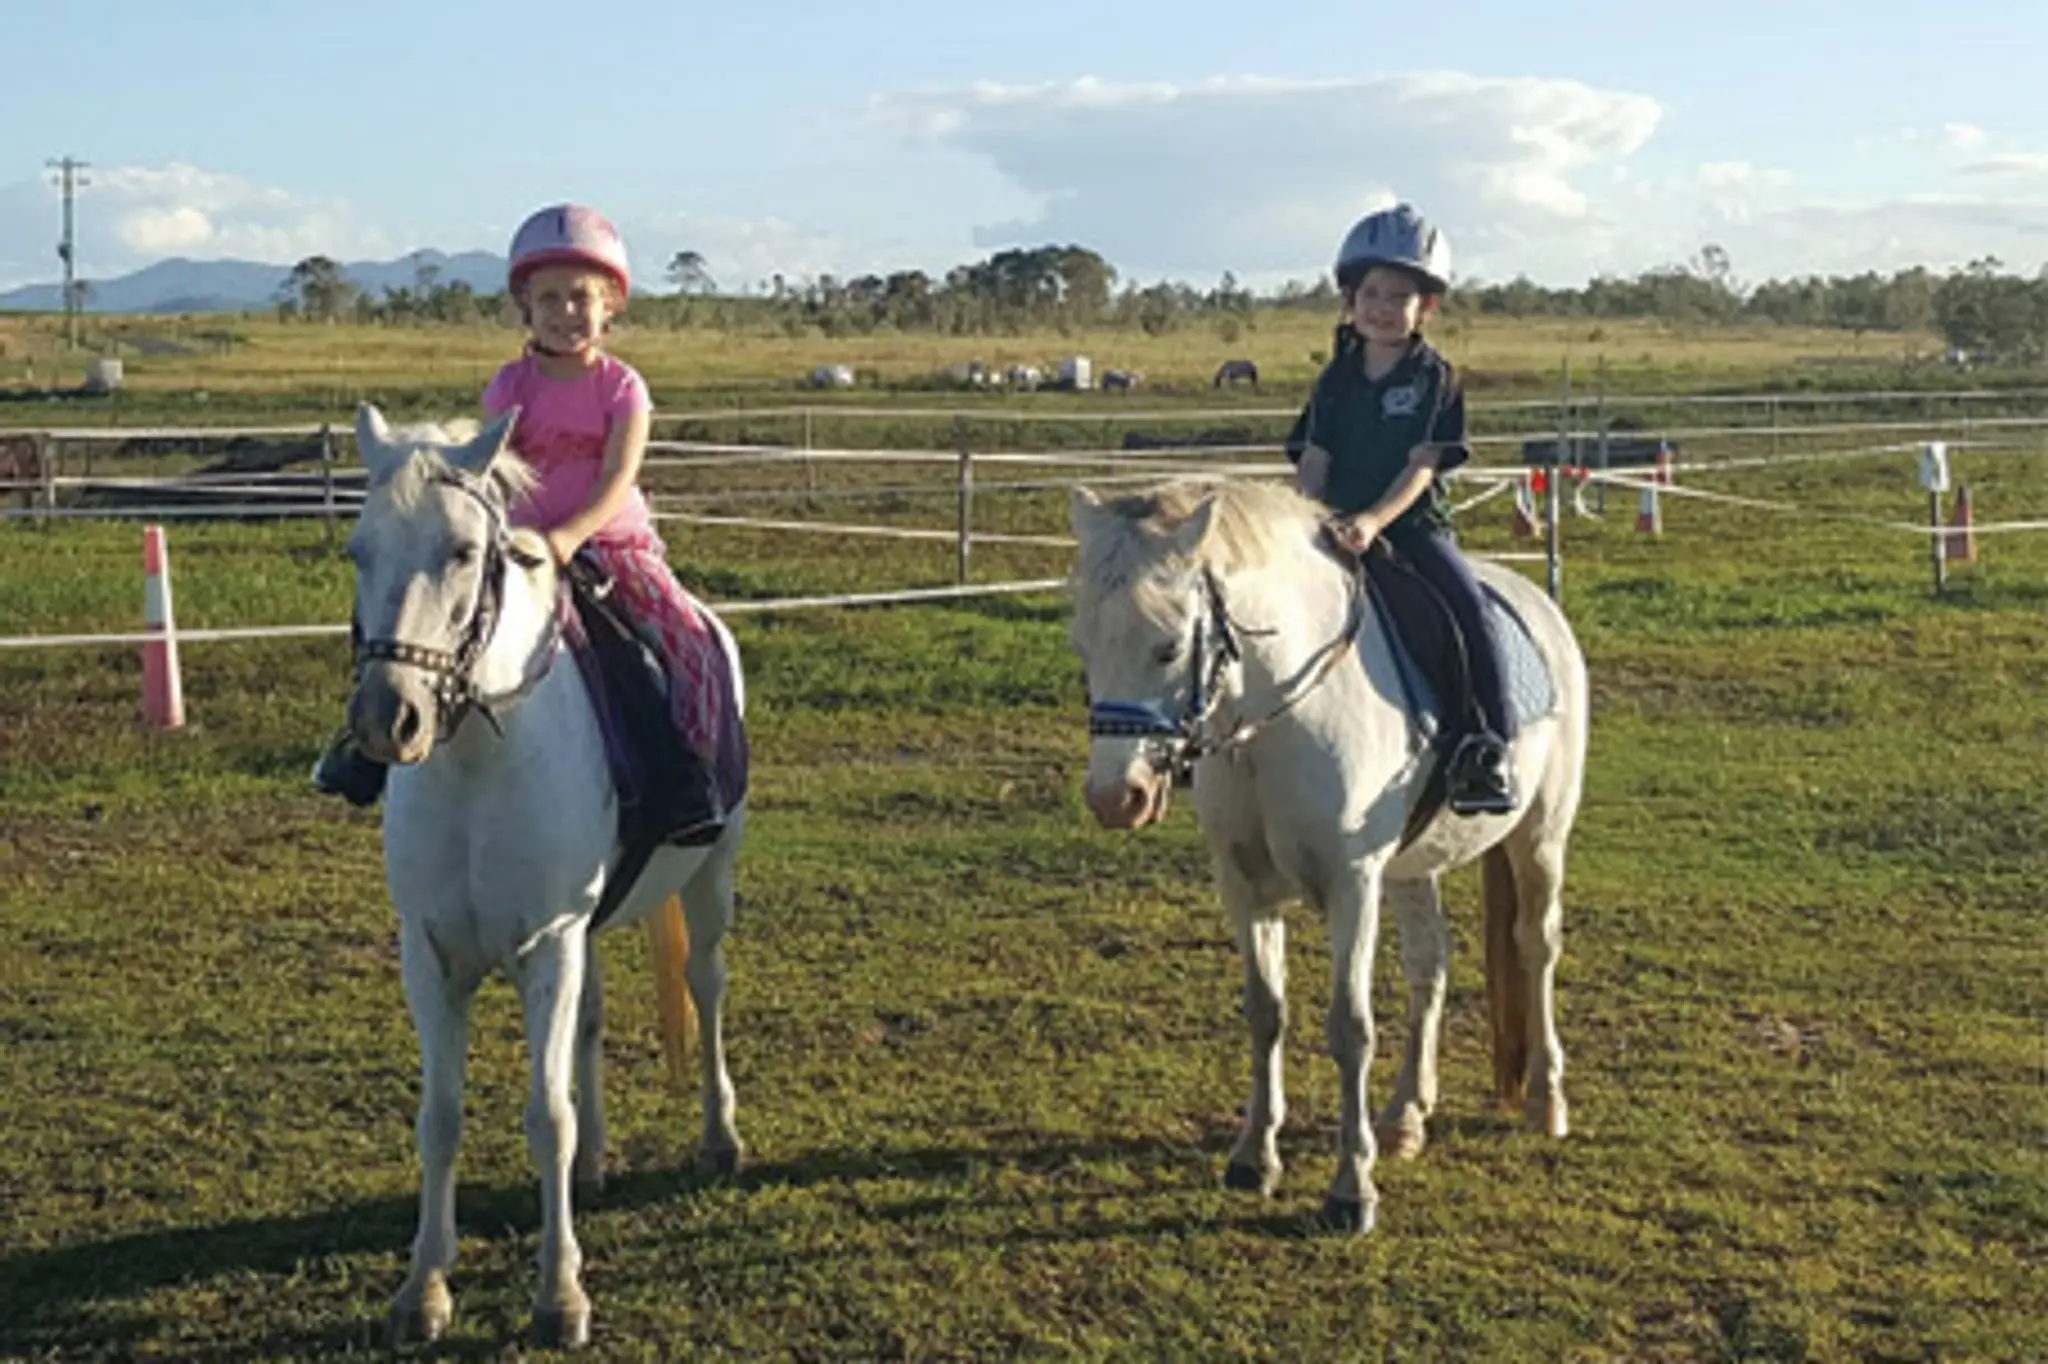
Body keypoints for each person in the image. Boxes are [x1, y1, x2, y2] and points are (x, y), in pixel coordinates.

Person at [315, 203, 727, 843]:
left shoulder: (623, 389)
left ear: (611, 305)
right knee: (419, 628)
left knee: (684, 641)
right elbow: (493, 472)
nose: (567, 312)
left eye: (582, 297)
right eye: (551, 298)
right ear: (525, 308)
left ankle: (686, 775)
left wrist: (569, 538)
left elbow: (617, 476)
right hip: (519, 547)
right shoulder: (509, 385)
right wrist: (521, 542)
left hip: (611, 545)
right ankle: (370, 745)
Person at [1285, 202, 1515, 815]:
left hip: (1409, 529)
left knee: (1468, 610)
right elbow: (1315, 458)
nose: (1382, 307)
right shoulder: (1333, 380)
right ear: (1350, 298)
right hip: (1331, 526)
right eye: (1371, 293)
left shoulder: (1436, 377)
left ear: (1426, 307)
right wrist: (1300, 518)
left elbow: (1423, 465)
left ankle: (1486, 745)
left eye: (1399, 296)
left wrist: (1372, 521)